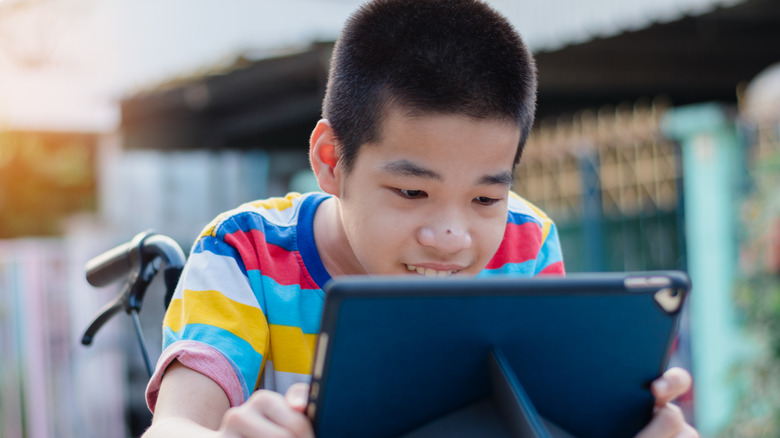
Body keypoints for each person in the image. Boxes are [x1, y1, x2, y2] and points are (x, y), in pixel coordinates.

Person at [142, 1, 698, 437]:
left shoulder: (526, 243)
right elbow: (174, 425)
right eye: (411, 191)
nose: (451, 238)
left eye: (485, 199)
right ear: (331, 161)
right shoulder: (246, 252)